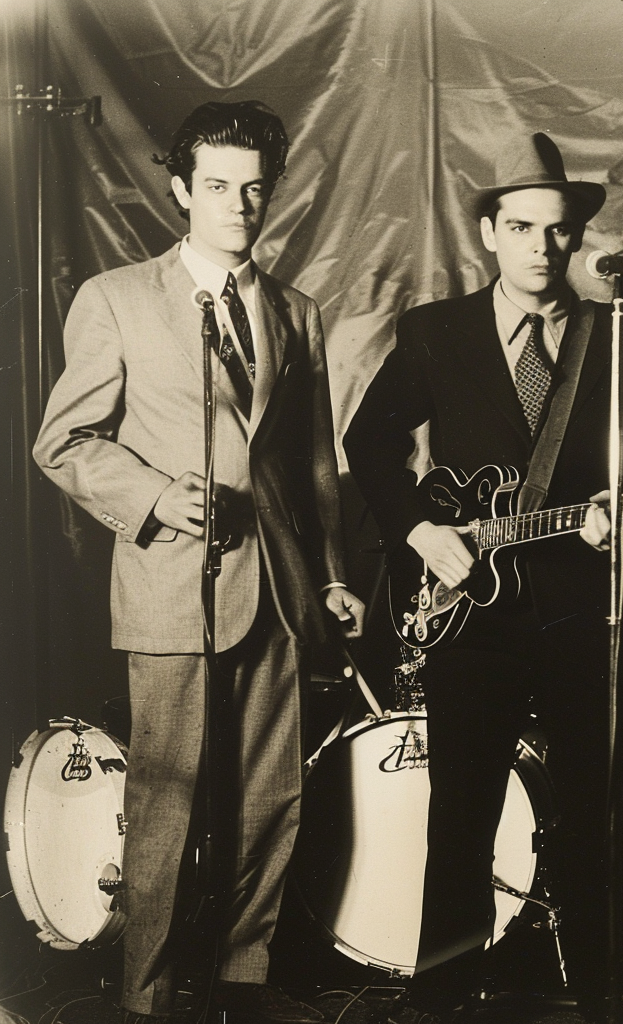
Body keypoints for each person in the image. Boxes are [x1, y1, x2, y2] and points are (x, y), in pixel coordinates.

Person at [34, 101, 366, 1024]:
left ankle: (237, 987)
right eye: (217, 187)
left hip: (284, 591)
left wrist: (334, 574)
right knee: (168, 801)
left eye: (254, 189)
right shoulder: (114, 299)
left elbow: (312, 467)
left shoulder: (297, 311)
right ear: (180, 190)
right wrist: (149, 496)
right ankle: (146, 1001)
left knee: (271, 800)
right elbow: (63, 442)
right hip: (172, 583)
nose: (238, 206)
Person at [344, 132, 623, 1023]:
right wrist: (420, 530)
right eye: (522, 226)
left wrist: (619, 521)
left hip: (582, 607)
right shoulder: (435, 332)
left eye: (559, 230)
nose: (542, 247)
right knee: (459, 814)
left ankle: (600, 994)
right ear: (489, 232)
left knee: (591, 808)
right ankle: (441, 1000)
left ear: (578, 239)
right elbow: (368, 444)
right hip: (469, 614)